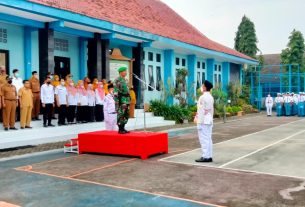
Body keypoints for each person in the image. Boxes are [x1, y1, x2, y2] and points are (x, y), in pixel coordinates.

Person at [194, 80, 214, 163]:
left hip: (203, 120)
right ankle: (209, 156)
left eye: (202, 86)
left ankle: (205, 156)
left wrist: (199, 122)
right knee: (208, 138)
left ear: (205, 87)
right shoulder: (211, 97)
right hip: (209, 120)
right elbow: (211, 110)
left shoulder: (202, 97)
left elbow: (201, 111)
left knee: (203, 139)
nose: (201, 87)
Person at [114, 67, 130, 134]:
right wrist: (117, 101)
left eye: (126, 71)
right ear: (120, 72)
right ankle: (120, 129)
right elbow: (115, 91)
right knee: (121, 114)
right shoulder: (117, 80)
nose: (126, 72)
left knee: (126, 114)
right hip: (121, 99)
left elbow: (127, 90)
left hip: (126, 99)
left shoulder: (125, 80)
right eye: (124, 71)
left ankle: (123, 127)